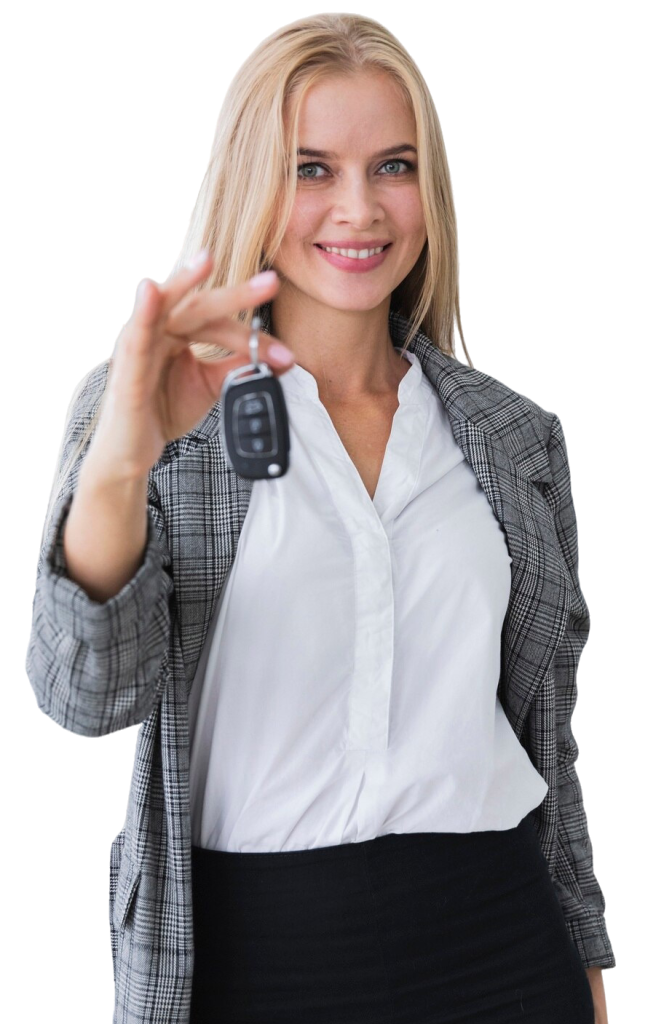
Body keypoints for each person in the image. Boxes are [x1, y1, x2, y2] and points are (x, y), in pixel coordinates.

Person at [25, 12, 614, 1024]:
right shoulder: (148, 400)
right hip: (253, 959)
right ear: (252, 180)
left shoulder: (516, 437)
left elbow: (548, 747)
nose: (359, 208)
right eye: (310, 168)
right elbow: (86, 692)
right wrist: (126, 454)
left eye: (393, 165)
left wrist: (589, 973)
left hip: (503, 948)